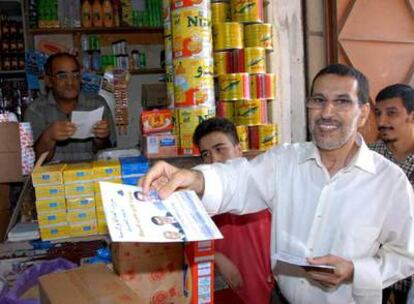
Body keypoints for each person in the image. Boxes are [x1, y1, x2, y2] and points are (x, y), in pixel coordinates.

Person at [141, 63, 414, 303]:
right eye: (318, 100)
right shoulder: (285, 160)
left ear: (363, 113)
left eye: (342, 101)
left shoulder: (389, 182)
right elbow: (240, 179)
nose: (326, 112)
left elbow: (406, 255)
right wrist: (194, 177)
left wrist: (355, 270)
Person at [192, 117, 273, 304]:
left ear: (238, 150)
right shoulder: (203, 198)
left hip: (271, 292)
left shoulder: (264, 188)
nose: (213, 160)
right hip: (229, 292)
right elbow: (185, 246)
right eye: (206, 154)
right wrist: (216, 257)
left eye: (220, 149)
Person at [24, 52, 115, 162]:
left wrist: (101, 139)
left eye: (75, 75)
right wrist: (48, 136)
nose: (70, 82)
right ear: (48, 81)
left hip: (91, 175)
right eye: (62, 76)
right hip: (52, 177)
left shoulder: (97, 104)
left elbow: (110, 155)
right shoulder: (35, 110)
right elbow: (33, 161)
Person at [369, 83, 414, 303]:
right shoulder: (367, 158)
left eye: (391, 113)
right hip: (375, 267)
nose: (381, 122)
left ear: (412, 116)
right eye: (378, 113)